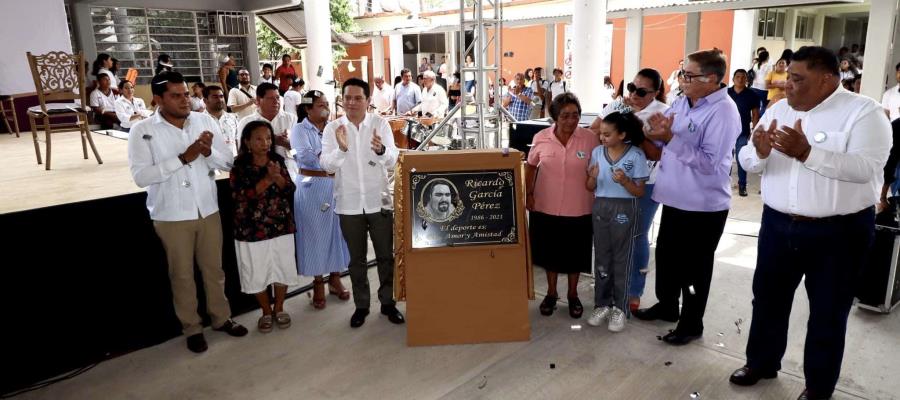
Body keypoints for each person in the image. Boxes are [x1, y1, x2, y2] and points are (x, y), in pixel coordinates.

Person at [731, 46, 891, 400]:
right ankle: (761, 362)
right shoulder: (779, 109)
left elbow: (866, 169)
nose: (788, 85)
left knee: (827, 313)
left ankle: (818, 388)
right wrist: (757, 152)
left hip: (839, 233)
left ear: (827, 79)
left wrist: (808, 152)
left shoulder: (864, 113)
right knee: (768, 301)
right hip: (777, 225)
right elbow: (750, 159)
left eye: (798, 79)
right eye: (788, 76)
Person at [127, 71, 248, 353]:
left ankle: (221, 318)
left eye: (185, 94)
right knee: (181, 275)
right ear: (157, 99)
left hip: (207, 209)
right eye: (175, 96)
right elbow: (141, 177)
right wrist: (183, 158)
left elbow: (228, 163)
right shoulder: (143, 130)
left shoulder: (204, 120)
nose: (184, 101)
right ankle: (192, 328)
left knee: (214, 270)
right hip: (171, 215)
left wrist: (207, 153)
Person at [633, 49, 742, 346]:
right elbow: (662, 131)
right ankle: (668, 306)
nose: (682, 80)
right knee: (667, 260)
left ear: (711, 79)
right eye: (682, 73)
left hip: (702, 206)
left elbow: (709, 163)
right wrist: (652, 131)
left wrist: (670, 139)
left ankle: (692, 323)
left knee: (693, 271)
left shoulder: (723, 112)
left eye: (688, 75)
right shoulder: (683, 102)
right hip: (673, 198)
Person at [320, 78, 404, 328]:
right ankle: (361, 305)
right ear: (342, 100)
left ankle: (388, 303)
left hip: (379, 202)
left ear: (368, 100)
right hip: (348, 205)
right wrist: (342, 149)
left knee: (385, 257)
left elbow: (393, 160)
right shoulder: (333, 129)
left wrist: (381, 152)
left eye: (358, 98)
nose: (352, 103)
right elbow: (326, 166)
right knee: (356, 260)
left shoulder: (380, 124)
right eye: (347, 98)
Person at [591, 68, 670, 313]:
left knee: (635, 235)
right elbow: (595, 130)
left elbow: (657, 154)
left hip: (645, 183)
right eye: (632, 88)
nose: (634, 94)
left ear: (655, 93)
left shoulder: (662, 114)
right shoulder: (618, 106)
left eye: (642, 91)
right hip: (612, 179)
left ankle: (633, 290)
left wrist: (634, 127)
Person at [526, 93, 598, 320]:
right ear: (555, 117)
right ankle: (551, 293)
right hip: (545, 206)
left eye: (575, 115)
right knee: (549, 254)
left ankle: (573, 294)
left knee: (576, 255)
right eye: (565, 116)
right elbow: (530, 166)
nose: (571, 120)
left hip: (580, 207)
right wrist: (528, 193)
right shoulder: (541, 138)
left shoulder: (589, 138)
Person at [230, 120, 301, 333]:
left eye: (268, 138)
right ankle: (265, 311)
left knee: (282, 267)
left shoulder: (277, 160)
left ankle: (279, 307)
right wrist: (269, 179)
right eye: (259, 139)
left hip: (280, 225)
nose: (265, 143)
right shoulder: (239, 165)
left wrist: (277, 176)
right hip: (251, 229)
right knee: (257, 271)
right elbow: (242, 197)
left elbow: (290, 190)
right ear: (247, 142)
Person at [585, 105, 649, 332]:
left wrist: (625, 182)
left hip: (625, 207)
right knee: (602, 256)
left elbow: (640, 192)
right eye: (600, 133)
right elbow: (590, 186)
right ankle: (602, 303)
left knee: (622, 257)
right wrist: (592, 178)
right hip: (601, 206)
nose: (602, 137)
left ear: (622, 134)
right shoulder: (596, 154)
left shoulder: (636, 155)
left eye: (607, 134)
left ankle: (620, 308)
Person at [290, 89, 351, 309]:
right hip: (312, 187)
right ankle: (318, 282)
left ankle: (335, 278)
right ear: (307, 108)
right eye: (320, 105)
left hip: (335, 186)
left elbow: (347, 153)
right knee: (315, 234)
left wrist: (336, 155)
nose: (326, 108)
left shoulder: (334, 127)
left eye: (327, 104)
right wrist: (334, 156)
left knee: (338, 232)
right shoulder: (299, 129)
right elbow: (306, 157)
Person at [237, 82, 298, 181]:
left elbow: (298, 152)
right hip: (258, 176)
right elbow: (242, 152)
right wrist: (269, 141)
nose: (276, 102)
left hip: (290, 175)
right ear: (258, 100)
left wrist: (287, 144)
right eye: (270, 98)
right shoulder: (246, 122)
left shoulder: (291, 119)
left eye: (278, 98)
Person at [728, 69, 761, 197]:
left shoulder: (752, 94)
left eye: (743, 77)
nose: (740, 79)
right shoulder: (726, 93)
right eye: (738, 76)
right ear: (733, 78)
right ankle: (724, 183)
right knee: (726, 158)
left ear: (747, 79)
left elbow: (755, 114)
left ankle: (742, 185)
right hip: (726, 132)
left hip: (743, 131)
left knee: (741, 158)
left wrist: (754, 130)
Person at [202, 85, 239, 156]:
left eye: (221, 96)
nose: (220, 100)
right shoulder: (199, 120)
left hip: (233, 162)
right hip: (211, 164)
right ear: (205, 100)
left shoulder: (232, 118)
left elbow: (237, 140)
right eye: (215, 97)